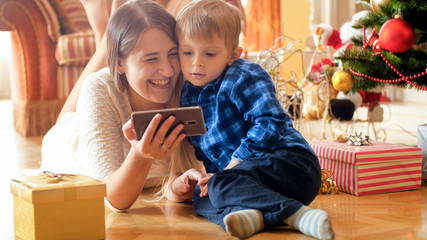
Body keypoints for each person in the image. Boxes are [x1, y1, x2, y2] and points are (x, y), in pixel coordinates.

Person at [174, 0, 334, 239]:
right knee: (202, 195)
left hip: (291, 164)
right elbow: (210, 157)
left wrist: (234, 164)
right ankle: (252, 216)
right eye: (187, 52)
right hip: (247, 183)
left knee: (219, 184)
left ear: (233, 54)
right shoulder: (187, 95)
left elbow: (272, 122)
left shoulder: (243, 74)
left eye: (209, 53)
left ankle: (297, 215)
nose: (196, 62)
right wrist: (214, 178)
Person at [41, 0, 204, 211]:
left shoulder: (189, 83)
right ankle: (104, 35)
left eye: (173, 54)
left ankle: (107, 29)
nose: (168, 70)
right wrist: (141, 156)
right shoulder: (100, 89)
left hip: (115, 86)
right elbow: (113, 199)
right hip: (70, 145)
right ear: (119, 62)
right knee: (66, 120)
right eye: (151, 59)